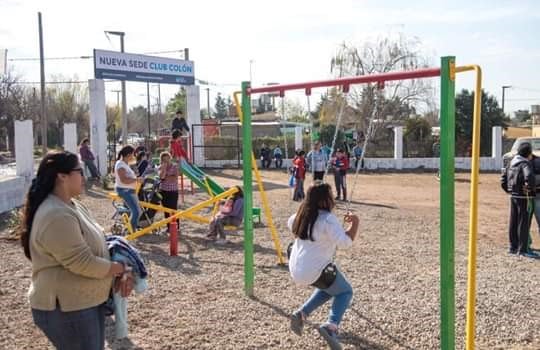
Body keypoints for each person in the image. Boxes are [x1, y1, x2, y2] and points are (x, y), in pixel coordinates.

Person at [19, 151, 133, 350]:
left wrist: (121, 267)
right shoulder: (56, 214)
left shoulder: (72, 205)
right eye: (80, 171)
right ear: (62, 176)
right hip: (67, 308)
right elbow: (83, 262)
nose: (84, 176)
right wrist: (120, 268)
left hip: (81, 303)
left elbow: (98, 243)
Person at [287, 182, 359, 350]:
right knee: (345, 291)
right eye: (331, 195)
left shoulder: (300, 215)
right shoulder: (327, 219)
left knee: (329, 287)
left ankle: (301, 314)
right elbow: (346, 242)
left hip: (296, 267)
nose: (333, 197)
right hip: (314, 269)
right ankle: (331, 326)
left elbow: (290, 224)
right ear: (325, 200)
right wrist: (354, 223)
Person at [501, 142, 539, 258]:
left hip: (513, 196)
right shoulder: (525, 163)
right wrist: (530, 188)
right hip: (524, 197)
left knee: (513, 221)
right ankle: (523, 250)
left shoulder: (511, 162)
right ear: (528, 153)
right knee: (524, 222)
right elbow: (529, 177)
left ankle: (513, 247)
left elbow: (503, 179)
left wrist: (509, 190)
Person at [115, 145, 143, 232]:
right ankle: (130, 230)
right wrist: (136, 179)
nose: (133, 156)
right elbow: (123, 180)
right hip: (125, 190)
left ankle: (131, 229)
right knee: (136, 211)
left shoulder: (125, 164)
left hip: (129, 190)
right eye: (132, 154)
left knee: (138, 211)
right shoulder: (120, 165)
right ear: (128, 155)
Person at [159, 152, 179, 230]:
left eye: (167, 158)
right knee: (166, 209)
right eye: (164, 159)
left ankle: (176, 227)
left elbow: (174, 178)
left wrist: (166, 177)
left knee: (173, 209)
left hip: (173, 191)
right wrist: (164, 170)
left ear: (170, 158)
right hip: (163, 190)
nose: (166, 161)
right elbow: (161, 177)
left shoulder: (174, 166)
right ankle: (168, 227)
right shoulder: (161, 167)